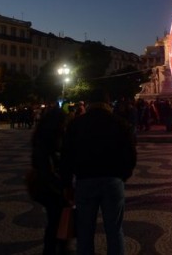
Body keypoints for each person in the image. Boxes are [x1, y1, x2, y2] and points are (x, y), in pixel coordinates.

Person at [61, 89, 137, 255]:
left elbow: (66, 156)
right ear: (108, 103)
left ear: (89, 103)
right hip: (112, 181)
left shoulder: (76, 124)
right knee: (114, 230)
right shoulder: (119, 123)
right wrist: (122, 176)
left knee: (85, 232)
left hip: (85, 180)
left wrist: (67, 183)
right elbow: (131, 155)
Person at [31, 104, 69, 254]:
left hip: (52, 187)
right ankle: (53, 250)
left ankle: (57, 248)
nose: (65, 125)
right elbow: (46, 169)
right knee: (55, 222)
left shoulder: (44, 137)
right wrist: (61, 187)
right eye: (63, 122)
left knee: (56, 221)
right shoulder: (46, 142)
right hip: (51, 189)